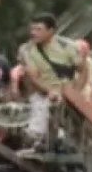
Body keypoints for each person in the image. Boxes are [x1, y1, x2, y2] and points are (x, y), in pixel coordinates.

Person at [17, 12, 84, 141]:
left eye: (38, 29)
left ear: (51, 31)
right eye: (32, 29)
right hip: (42, 91)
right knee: (40, 106)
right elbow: (34, 76)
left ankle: (57, 137)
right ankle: (35, 138)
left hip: (66, 92)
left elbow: (82, 70)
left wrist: (76, 92)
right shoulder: (27, 49)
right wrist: (50, 91)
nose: (33, 33)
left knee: (57, 107)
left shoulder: (67, 46)